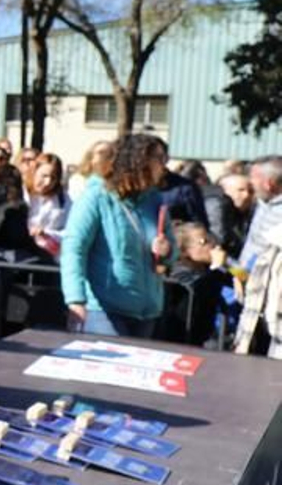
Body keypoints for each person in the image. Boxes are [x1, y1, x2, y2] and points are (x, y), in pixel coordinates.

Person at [61, 134, 171, 339]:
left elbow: (171, 249)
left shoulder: (155, 200)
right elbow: (74, 248)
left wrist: (167, 250)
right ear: (139, 161)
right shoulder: (96, 197)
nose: (163, 166)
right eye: (159, 159)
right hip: (104, 310)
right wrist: (75, 299)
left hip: (147, 311)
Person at [164, 222, 236, 348]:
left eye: (210, 239)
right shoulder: (179, 273)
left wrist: (225, 269)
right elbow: (196, 296)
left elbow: (229, 282)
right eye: (204, 242)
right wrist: (216, 268)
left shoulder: (206, 270)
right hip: (188, 342)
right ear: (185, 251)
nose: (212, 245)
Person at [148, 137, 208, 229]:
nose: (154, 162)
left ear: (166, 159)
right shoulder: (131, 186)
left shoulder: (185, 188)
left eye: (160, 157)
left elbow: (199, 224)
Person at [239, 156, 282, 268]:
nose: (250, 183)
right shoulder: (263, 202)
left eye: (253, 178)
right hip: (243, 276)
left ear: (268, 184)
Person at [26, 152, 70, 259]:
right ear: (34, 172)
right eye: (44, 176)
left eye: (53, 178)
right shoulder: (21, 194)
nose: (47, 182)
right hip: (23, 252)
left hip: (49, 255)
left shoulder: (63, 199)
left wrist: (47, 233)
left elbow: (69, 231)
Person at [216, 172, 255, 254]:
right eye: (241, 190)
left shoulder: (254, 216)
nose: (246, 195)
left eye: (251, 191)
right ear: (224, 191)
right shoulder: (217, 218)